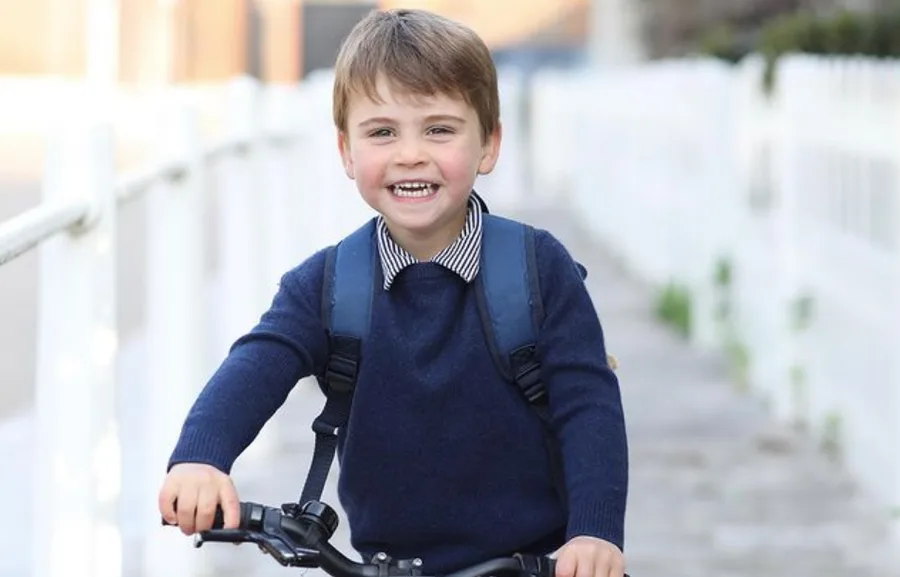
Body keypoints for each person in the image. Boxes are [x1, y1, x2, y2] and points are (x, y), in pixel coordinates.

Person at [158, 7, 629, 577]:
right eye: (382, 132)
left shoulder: (538, 268)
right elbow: (258, 362)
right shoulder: (327, 285)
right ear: (346, 151)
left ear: (488, 144)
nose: (410, 153)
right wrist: (201, 457)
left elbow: (588, 402)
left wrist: (595, 534)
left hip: (527, 562)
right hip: (383, 564)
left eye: (439, 129)